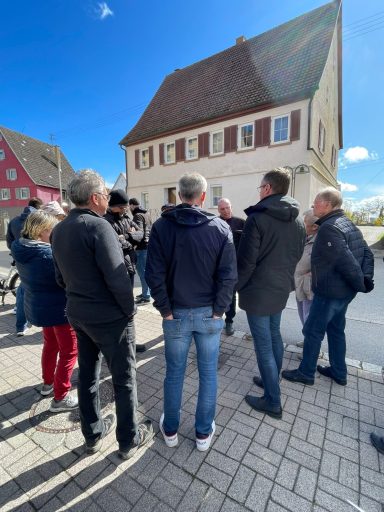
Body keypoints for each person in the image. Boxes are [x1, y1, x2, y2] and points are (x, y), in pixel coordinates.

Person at [51, 170, 154, 458]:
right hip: (110, 318)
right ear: (95, 197)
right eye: (106, 195)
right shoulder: (99, 227)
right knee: (124, 380)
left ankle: (92, 435)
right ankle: (128, 440)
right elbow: (118, 277)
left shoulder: (59, 229)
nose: (108, 199)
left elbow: (59, 278)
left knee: (88, 377)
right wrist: (130, 310)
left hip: (78, 314)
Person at [146, 173, 237, 451]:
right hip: (208, 313)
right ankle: (202, 434)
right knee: (207, 374)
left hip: (177, 314)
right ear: (203, 197)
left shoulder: (162, 226)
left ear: (178, 194)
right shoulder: (221, 228)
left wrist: (165, 310)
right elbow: (229, 276)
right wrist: (220, 311)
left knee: (175, 373)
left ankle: (171, 430)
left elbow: (153, 273)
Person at [282, 187, 374, 387]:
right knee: (336, 330)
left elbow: (345, 260)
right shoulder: (348, 223)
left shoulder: (329, 227)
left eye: (317, 201)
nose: (314, 204)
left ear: (329, 205)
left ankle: (306, 373)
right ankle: (339, 372)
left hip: (329, 292)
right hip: (343, 292)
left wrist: (361, 283)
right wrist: (363, 280)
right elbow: (367, 253)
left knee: (313, 331)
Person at [237, 168, 306, 419]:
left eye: (260, 187)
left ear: (267, 188)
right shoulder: (298, 219)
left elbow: (246, 262)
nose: (259, 191)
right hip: (280, 287)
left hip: (258, 290)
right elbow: (297, 255)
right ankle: (270, 382)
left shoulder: (258, 217)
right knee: (274, 335)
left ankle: (272, 401)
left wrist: (234, 287)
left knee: (264, 344)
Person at [11, 211, 78, 411]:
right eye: (52, 229)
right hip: (59, 309)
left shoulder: (20, 247)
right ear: (40, 231)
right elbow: (68, 281)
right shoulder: (48, 255)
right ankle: (61, 397)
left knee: (50, 346)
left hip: (40, 306)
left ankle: (48, 384)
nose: (55, 233)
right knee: (69, 351)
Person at [6, 197, 43, 336]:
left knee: (23, 290)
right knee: (38, 290)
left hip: (20, 259)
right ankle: (37, 319)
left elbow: (9, 241)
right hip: (38, 258)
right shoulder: (38, 219)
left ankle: (21, 325)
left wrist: (17, 253)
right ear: (39, 206)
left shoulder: (14, 220)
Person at [104, 190, 143, 288]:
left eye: (126, 207)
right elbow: (115, 242)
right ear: (112, 207)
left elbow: (141, 233)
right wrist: (132, 244)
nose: (124, 210)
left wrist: (127, 236)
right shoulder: (106, 221)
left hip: (131, 263)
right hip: (118, 267)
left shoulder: (126, 219)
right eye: (122, 207)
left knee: (130, 295)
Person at [217, 198, 245, 336]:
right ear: (218, 210)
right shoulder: (215, 223)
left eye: (228, 207)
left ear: (231, 207)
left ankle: (229, 321)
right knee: (220, 293)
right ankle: (216, 319)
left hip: (237, 266)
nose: (226, 211)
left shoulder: (241, 222)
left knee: (232, 295)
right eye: (223, 209)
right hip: (220, 266)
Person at [294, 209, 319, 347]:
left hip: (309, 288)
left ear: (314, 226)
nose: (303, 225)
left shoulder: (320, 240)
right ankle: (306, 341)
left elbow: (325, 265)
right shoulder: (306, 237)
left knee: (310, 320)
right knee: (303, 317)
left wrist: (310, 275)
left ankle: (311, 349)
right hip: (300, 285)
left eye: (305, 223)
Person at [128, 198, 151, 304]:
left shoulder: (137, 215)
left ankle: (146, 296)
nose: (129, 208)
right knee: (145, 272)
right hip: (148, 246)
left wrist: (135, 245)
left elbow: (139, 232)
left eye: (129, 206)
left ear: (132, 205)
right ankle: (146, 293)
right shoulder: (146, 214)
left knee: (142, 273)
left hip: (141, 248)